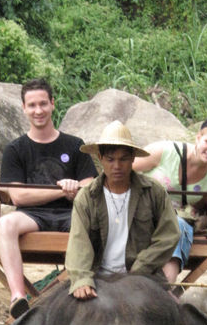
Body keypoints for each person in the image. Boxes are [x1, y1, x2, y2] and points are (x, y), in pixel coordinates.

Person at [0, 78, 97, 318]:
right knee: (6, 223)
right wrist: (60, 190)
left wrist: (76, 189)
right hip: (32, 216)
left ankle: (85, 283)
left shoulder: (75, 145)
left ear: (53, 104)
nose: (38, 110)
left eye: (43, 103)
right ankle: (18, 296)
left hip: (70, 214)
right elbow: (18, 196)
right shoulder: (15, 149)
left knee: (94, 224)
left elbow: (90, 186)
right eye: (32, 105)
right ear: (23, 108)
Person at [64, 121, 180, 301]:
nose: (117, 166)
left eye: (123, 159)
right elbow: (79, 241)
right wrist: (81, 279)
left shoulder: (154, 191)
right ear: (100, 158)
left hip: (144, 277)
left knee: (177, 316)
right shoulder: (86, 197)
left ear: (133, 158)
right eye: (110, 159)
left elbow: (169, 235)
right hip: (99, 276)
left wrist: (140, 268)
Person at [132, 116, 207, 285]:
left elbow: (203, 208)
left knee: (178, 225)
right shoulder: (165, 152)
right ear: (198, 138)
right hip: (142, 211)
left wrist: (200, 217)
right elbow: (123, 170)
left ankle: (167, 286)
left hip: (176, 222)